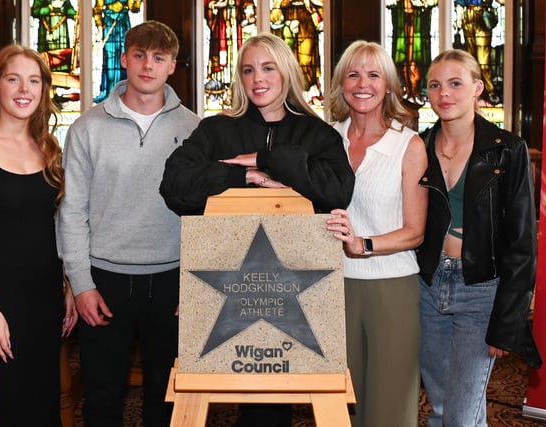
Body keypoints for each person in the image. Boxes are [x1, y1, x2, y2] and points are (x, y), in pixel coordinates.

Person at [160, 32, 355, 426]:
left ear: (286, 72)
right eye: (248, 70)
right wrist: (248, 176)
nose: (257, 78)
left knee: (283, 389)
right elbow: (175, 186)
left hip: (294, 281)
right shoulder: (217, 130)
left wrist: (268, 158)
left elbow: (337, 190)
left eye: (267, 68)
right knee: (234, 385)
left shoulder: (317, 134)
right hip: (229, 280)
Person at [55, 20, 200, 427]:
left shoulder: (196, 130)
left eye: (158, 58)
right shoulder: (87, 128)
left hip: (172, 277)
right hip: (106, 278)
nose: (147, 66)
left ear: (172, 66)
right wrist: (81, 284)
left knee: (167, 393)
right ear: (124, 59)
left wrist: (195, 284)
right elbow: (72, 211)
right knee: (102, 395)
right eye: (139, 55)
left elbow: (206, 213)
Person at [0, 44, 77, 427]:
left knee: (44, 402)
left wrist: (69, 285)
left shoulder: (48, 148)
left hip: (46, 295)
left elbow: (59, 225)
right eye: (13, 79)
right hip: (1, 296)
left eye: (34, 80)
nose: (24, 89)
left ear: (43, 90)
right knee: (12, 403)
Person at [416, 48, 542, 427]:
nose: (444, 93)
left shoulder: (508, 150)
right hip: (427, 285)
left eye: (455, 83)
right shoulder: (418, 147)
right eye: (435, 85)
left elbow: (522, 244)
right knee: (440, 407)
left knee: (460, 415)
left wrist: (508, 320)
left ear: (477, 88)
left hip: (480, 290)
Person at [324, 40, 428, 427]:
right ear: (341, 84)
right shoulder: (326, 139)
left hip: (392, 285)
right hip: (333, 287)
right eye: (353, 74)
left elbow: (416, 231)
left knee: (389, 408)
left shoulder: (409, 144)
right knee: (339, 405)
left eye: (373, 74)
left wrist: (363, 245)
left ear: (388, 85)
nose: (362, 83)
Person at [93, 0, 142, 103]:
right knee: (110, 56)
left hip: (123, 24)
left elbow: (134, 9)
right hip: (109, 24)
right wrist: (100, 26)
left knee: (126, 55)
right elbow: (97, 10)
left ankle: (126, 92)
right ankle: (110, 91)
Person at [454, 0, 502, 105]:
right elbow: (460, 2)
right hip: (468, 16)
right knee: (470, 58)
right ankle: (472, 90)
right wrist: (459, 17)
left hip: (483, 15)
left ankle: (490, 91)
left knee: (483, 59)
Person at [31, 0, 78, 72]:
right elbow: (35, 11)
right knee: (44, 61)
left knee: (62, 59)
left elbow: (71, 11)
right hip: (45, 32)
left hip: (62, 33)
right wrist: (50, 7)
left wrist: (65, 9)